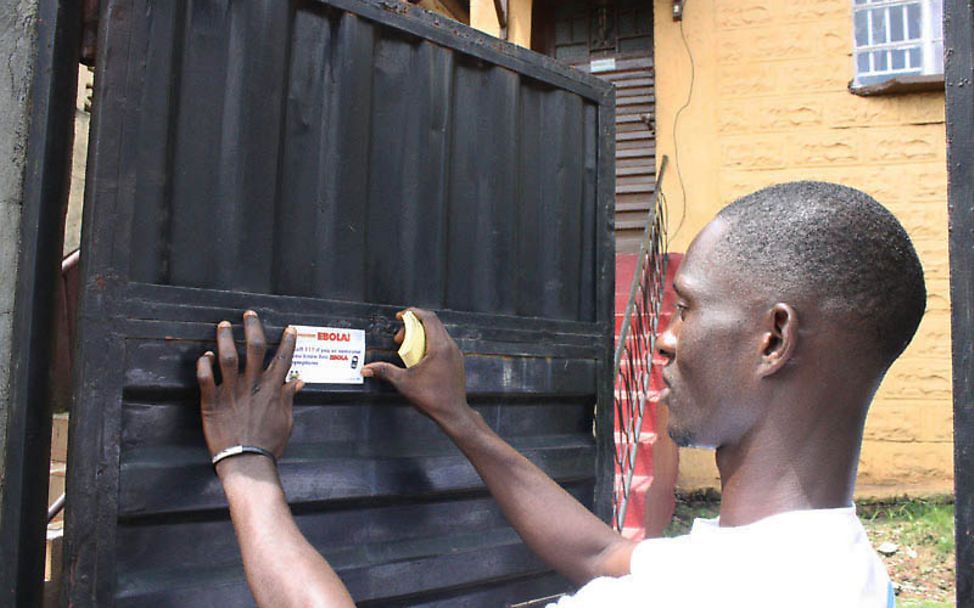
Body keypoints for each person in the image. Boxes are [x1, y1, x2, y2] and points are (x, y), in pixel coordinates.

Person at [196, 181, 924, 607]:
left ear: (773, 339)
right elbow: (603, 553)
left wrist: (246, 461)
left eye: (688, 308)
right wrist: (459, 416)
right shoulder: (838, 569)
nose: (664, 338)